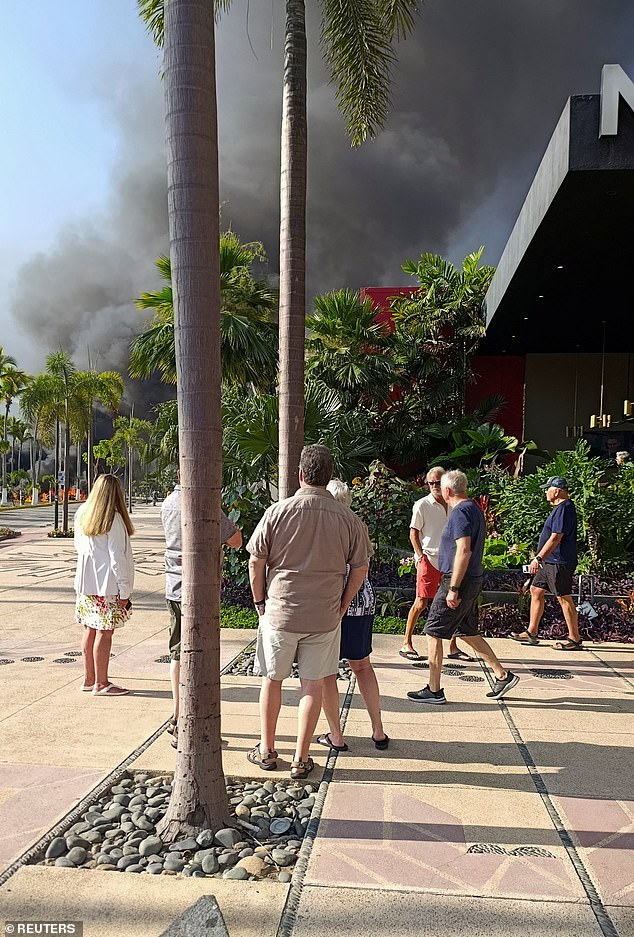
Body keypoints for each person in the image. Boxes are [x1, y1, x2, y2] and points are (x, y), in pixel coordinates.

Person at [246, 445, 372, 780]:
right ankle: (301, 758)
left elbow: (255, 559)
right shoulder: (349, 519)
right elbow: (360, 567)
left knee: (272, 680)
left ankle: (267, 749)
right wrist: (344, 604)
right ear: (329, 477)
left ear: (300, 474)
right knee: (312, 686)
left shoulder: (278, 511)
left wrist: (260, 601)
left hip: (280, 611)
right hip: (325, 616)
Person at [407, 470, 519, 704]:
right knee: (466, 631)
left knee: (433, 631)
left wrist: (454, 588)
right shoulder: (474, 509)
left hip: (458, 580)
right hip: (472, 578)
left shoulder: (459, 513)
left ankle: (434, 689)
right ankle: (502, 675)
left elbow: (464, 550)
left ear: (447, 491)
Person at [161, 472, 242, 747]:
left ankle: (177, 714)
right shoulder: (202, 503)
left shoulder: (168, 502)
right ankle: (193, 719)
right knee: (201, 654)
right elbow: (236, 539)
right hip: (199, 590)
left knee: (177, 653)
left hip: (173, 585)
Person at [318, 479, 388, 752]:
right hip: (363, 601)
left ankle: (336, 735)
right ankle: (378, 730)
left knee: (327, 672)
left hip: (334, 603)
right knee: (363, 666)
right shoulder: (360, 526)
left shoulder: (326, 527)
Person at [74, 474, 135, 697]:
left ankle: (89, 679)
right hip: (107, 585)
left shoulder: (82, 513)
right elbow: (117, 557)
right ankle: (101, 683)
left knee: (90, 629)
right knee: (104, 632)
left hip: (86, 583)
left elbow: (78, 547)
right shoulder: (114, 519)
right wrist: (125, 590)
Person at [400, 467, 469, 663]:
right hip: (429, 559)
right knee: (421, 602)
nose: (434, 486)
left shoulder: (454, 504)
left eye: (437, 482)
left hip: (450, 561)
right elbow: (413, 533)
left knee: (453, 603)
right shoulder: (422, 505)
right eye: (430, 483)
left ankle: (453, 647)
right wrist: (420, 557)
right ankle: (406, 642)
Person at [511, 475, 582, 650]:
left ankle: (575, 639)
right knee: (536, 590)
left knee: (563, 597)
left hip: (558, 561)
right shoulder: (559, 508)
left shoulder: (564, 508)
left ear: (556, 491)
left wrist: (538, 558)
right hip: (550, 560)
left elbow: (556, 537)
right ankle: (532, 632)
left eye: (547, 488)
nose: (545, 492)